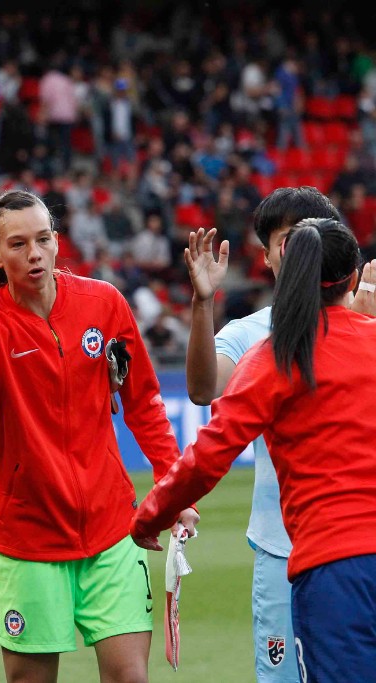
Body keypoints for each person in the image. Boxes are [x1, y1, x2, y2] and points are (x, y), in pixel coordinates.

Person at [0, 187, 198, 683]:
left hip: (112, 528)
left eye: (43, 239)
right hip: (27, 539)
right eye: (17, 244)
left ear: (57, 241)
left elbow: (143, 402)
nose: (34, 253)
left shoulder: (103, 302)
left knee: (130, 678)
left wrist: (175, 486)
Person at [132, 218, 376, 682]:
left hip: (335, 568)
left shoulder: (275, 356)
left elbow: (209, 454)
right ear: (354, 278)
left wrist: (150, 516)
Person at [183, 186, 342, 682]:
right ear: (268, 257)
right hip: (281, 548)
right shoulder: (249, 333)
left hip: (354, 543)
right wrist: (203, 304)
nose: (298, 250)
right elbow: (204, 388)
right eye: (286, 240)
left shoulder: (364, 322)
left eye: (309, 236)